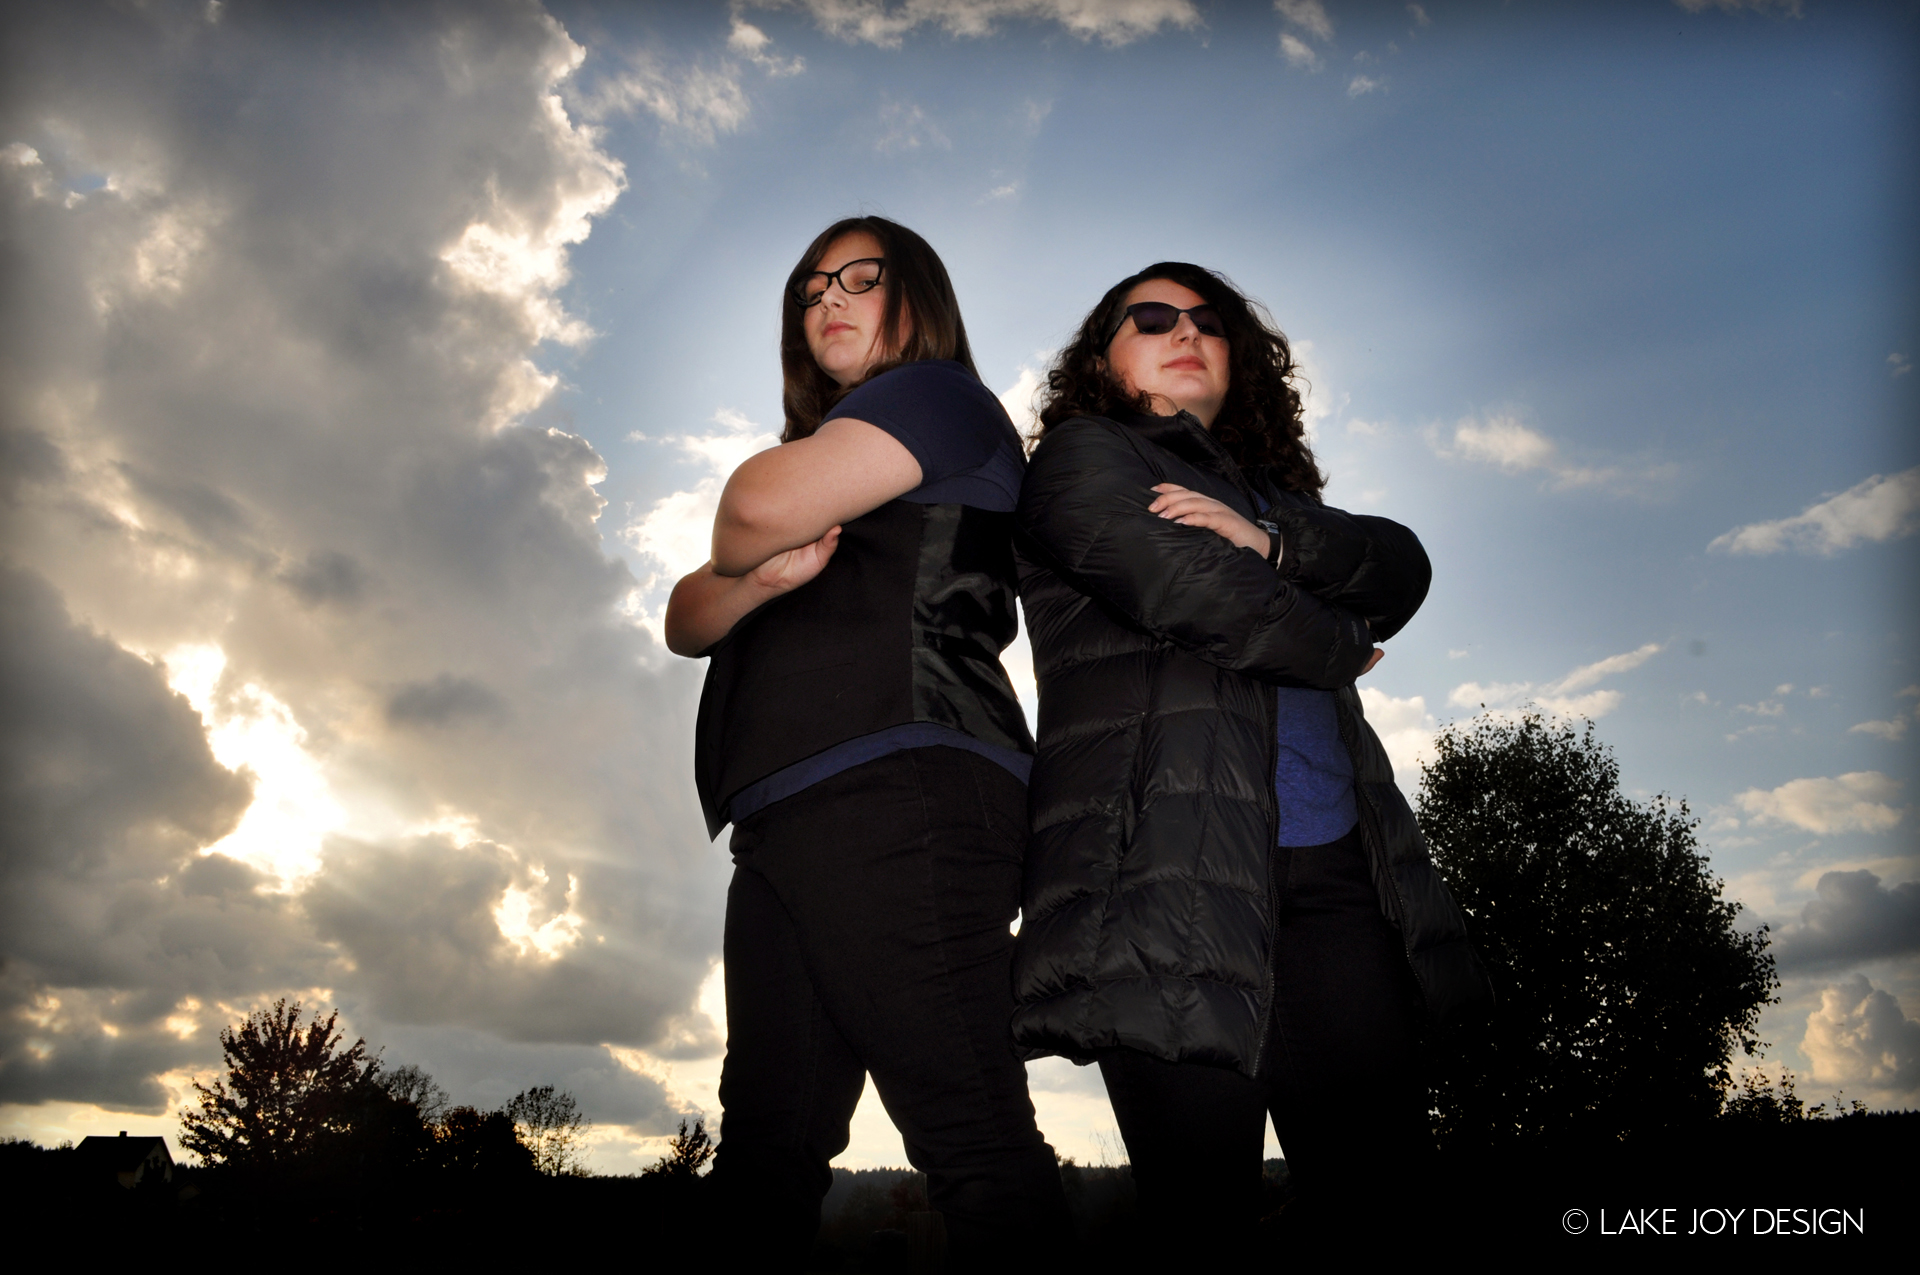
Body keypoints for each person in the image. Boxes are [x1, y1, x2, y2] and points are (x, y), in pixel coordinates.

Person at [1008, 262, 1490, 1253]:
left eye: (1208, 321)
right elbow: (1199, 595)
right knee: (1202, 1221)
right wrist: (1342, 639)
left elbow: (1403, 566)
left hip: (1335, 879)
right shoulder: (1080, 460)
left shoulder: (1277, 500)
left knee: (1388, 1200)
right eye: (1151, 318)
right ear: (1102, 359)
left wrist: (1269, 541)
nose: (1185, 332)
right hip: (1163, 883)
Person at [664, 217, 1069, 1269]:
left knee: (969, 1130)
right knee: (766, 1149)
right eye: (810, 289)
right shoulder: (844, 455)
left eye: (857, 277)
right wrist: (756, 578)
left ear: (917, 295)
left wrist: (750, 552)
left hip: (904, 790)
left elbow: (750, 506)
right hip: (786, 818)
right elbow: (685, 619)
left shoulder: (935, 397)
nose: (826, 299)